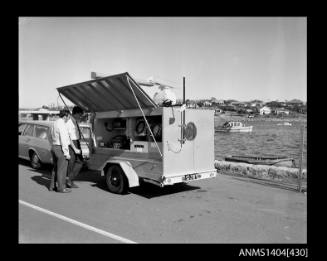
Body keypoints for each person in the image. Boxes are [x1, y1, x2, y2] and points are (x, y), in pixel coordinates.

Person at [49, 109, 71, 193]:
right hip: (60, 147)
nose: (69, 119)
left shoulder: (54, 123)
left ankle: (52, 186)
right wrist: (66, 153)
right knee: (62, 168)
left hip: (54, 146)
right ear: (65, 116)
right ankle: (61, 188)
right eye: (68, 117)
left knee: (55, 168)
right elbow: (64, 139)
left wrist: (52, 145)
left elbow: (49, 135)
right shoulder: (62, 124)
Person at [66, 106, 85, 188]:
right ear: (76, 113)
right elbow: (68, 137)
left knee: (80, 162)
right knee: (71, 163)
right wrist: (75, 148)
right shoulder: (69, 122)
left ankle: (69, 180)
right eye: (80, 115)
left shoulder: (75, 121)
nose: (81, 116)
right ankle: (68, 181)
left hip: (77, 142)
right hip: (72, 144)